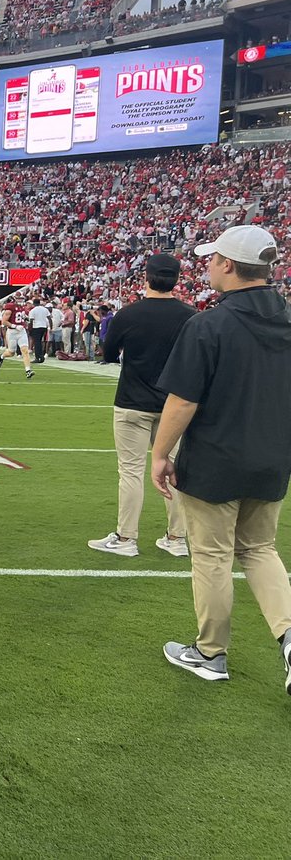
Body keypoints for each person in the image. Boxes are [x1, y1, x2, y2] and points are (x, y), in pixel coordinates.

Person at [151, 226, 291, 691]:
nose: (208, 266)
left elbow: (183, 401)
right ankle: (289, 635)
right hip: (272, 455)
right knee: (260, 549)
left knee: (211, 554)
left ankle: (211, 652)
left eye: (213, 260)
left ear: (228, 265)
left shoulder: (209, 324)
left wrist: (159, 454)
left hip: (215, 459)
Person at [88, 254, 196, 559]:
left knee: (131, 472)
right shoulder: (191, 315)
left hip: (132, 402)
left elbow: (107, 354)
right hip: (174, 404)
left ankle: (126, 537)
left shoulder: (128, 314)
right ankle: (176, 537)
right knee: (174, 471)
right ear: (176, 279)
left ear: (146, 278)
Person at [0, 297, 35, 378]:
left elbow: (20, 317)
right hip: (12, 332)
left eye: (22, 298)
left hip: (21, 332)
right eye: (19, 298)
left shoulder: (22, 307)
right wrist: (15, 326)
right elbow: (4, 321)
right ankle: (2, 356)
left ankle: (28, 370)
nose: (21, 300)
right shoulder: (10, 307)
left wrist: (25, 320)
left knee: (25, 351)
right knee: (11, 353)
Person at [27, 298, 50, 363]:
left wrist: (30, 329)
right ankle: (41, 355)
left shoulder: (32, 311)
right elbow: (49, 318)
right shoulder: (45, 309)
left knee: (37, 342)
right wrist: (51, 326)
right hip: (44, 326)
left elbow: (31, 321)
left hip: (36, 327)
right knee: (40, 341)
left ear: (34, 304)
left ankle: (38, 357)